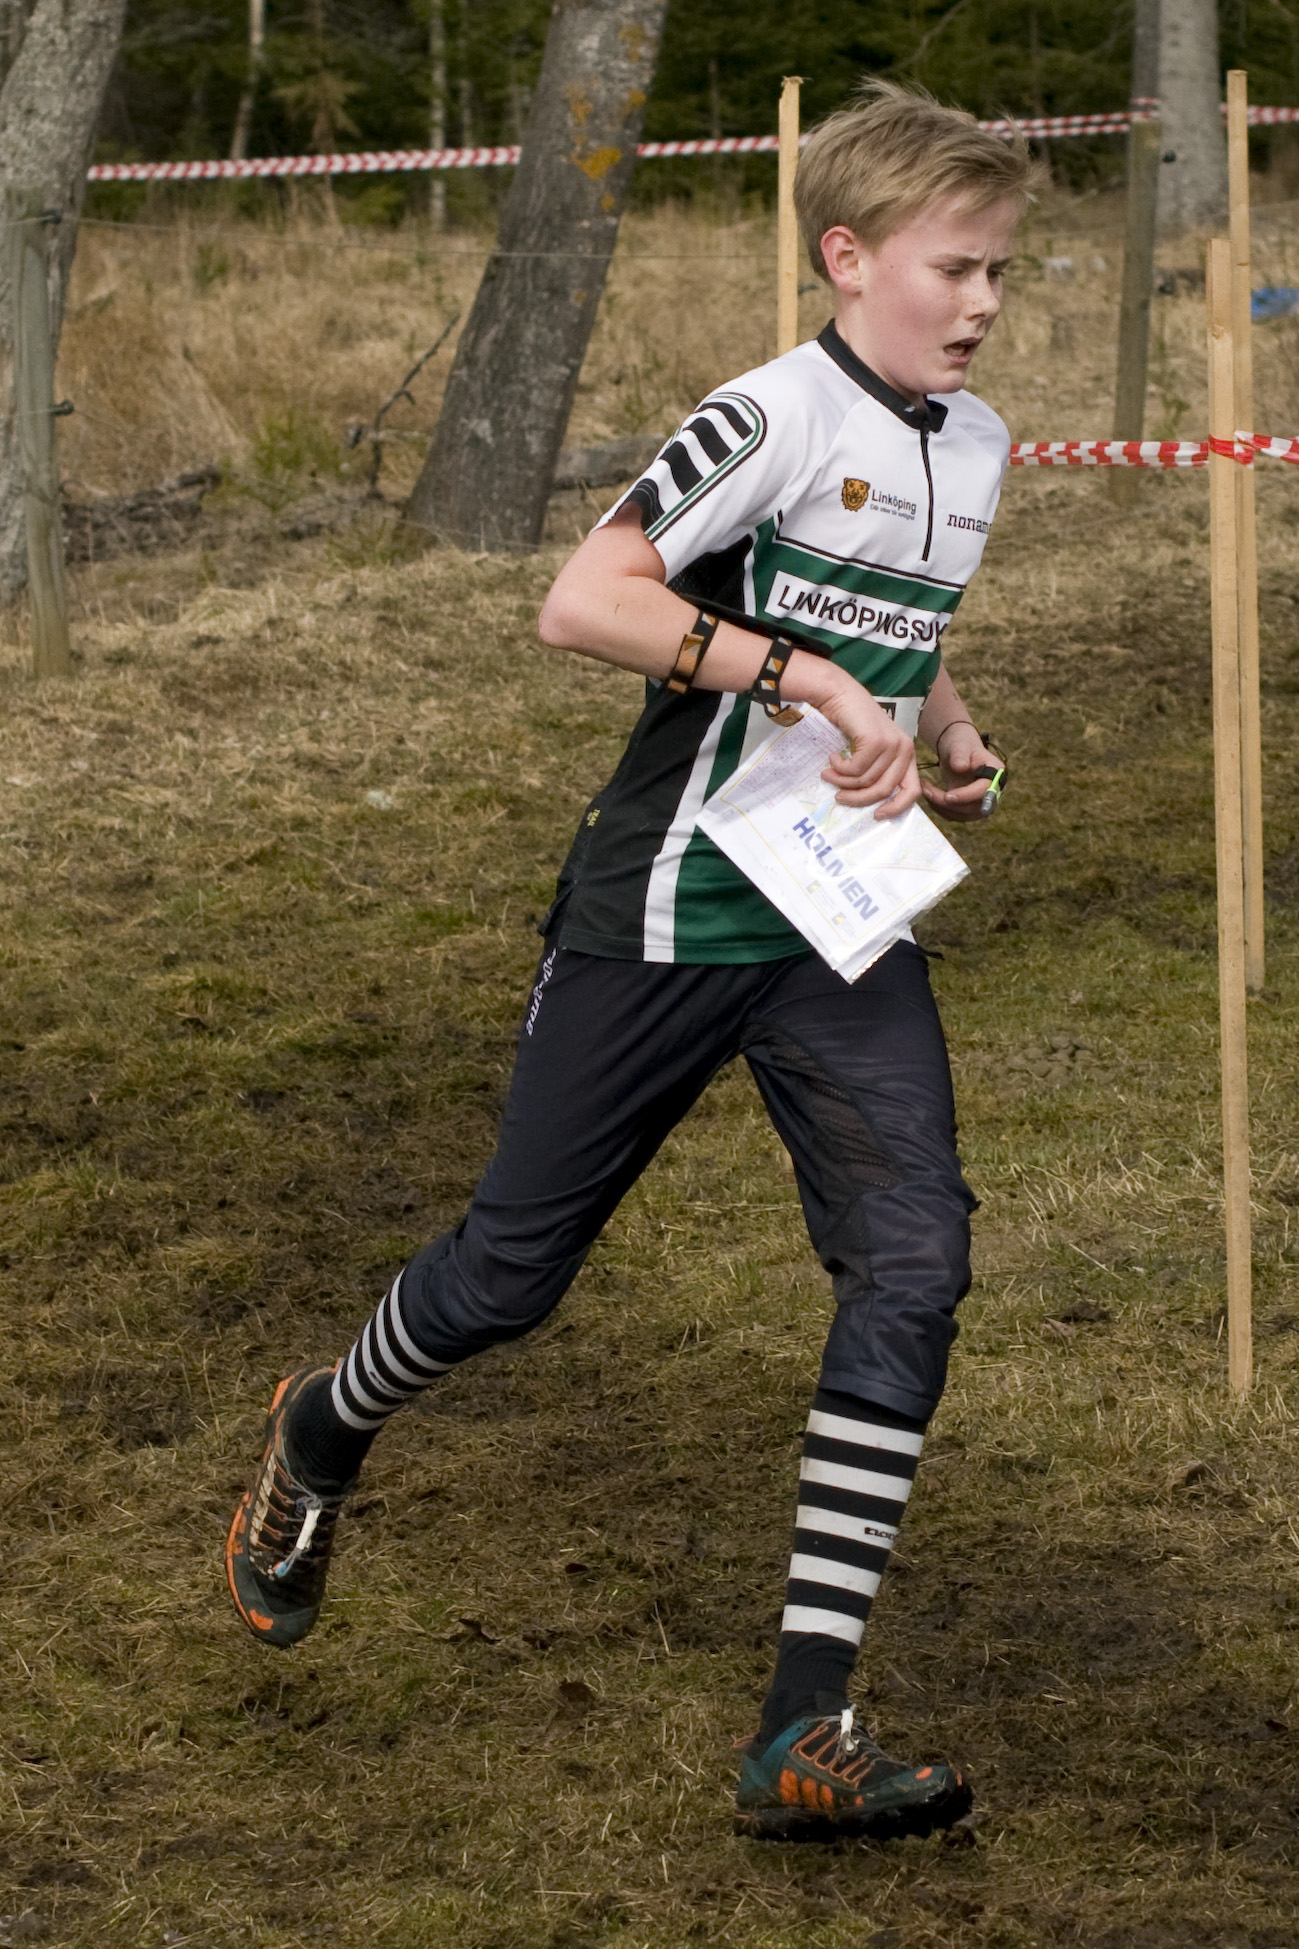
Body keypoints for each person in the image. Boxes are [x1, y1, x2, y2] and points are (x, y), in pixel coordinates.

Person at [225, 79, 1029, 1844]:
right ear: (848, 257)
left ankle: (803, 1722)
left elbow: (898, 628)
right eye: (953, 268)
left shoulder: (971, 441)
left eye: (1000, 273)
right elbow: (585, 598)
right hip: (663, 911)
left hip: (834, 921)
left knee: (915, 1263)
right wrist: (806, 680)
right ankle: (323, 1425)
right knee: (509, 1277)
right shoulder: (769, 411)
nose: (982, 302)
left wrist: (943, 728)